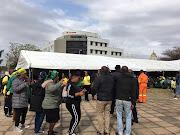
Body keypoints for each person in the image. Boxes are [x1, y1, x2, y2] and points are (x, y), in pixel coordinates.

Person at [92, 66, 114, 135]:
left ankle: (101, 131)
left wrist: (93, 94)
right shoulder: (111, 78)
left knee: (100, 115)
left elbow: (94, 88)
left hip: (101, 99)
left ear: (101, 71)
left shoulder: (99, 78)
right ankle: (107, 131)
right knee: (107, 115)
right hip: (109, 99)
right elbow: (113, 88)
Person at [116, 66, 136, 135]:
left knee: (119, 115)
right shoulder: (132, 79)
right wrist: (133, 102)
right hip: (128, 99)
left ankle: (120, 132)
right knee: (128, 116)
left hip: (119, 98)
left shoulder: (118, 78)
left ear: (121, 70)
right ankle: (128, 132)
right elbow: (133, 91)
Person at [42, 70, 63, 135]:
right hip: (50, 106)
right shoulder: (50, 84)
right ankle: (50, 132)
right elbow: (52, 89)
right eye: (57, 76)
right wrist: (60, 83)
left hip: (53, 105)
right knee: (53, 120)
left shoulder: (53, 83)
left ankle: (51, 130)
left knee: (53, 120)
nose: (58, 77)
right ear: (54, 77)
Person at [11, 68, 30, 132]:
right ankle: (16, 127)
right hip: (18, 101)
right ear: (21, 74)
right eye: (24, 73)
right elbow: (15, 89)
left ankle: (22, 123)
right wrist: (23, 85)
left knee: (24, 113)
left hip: (24, 100)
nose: (25, 74)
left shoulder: (23, 79)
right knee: (18, 114)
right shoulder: (15, 80)